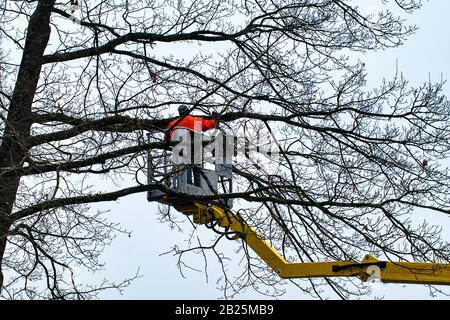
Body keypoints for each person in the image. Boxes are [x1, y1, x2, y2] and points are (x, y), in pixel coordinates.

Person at [166, 105, 219, 187]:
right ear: (188, 111)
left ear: (179, 113)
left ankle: (187, 184)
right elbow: (208, 125)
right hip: (195, 150)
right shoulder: (195, 121)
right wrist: (214, 119)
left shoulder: (173, 124)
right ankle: (198, 185)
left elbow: (166, 138)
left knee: (184, 167)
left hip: (180, 150)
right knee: (197, 168)